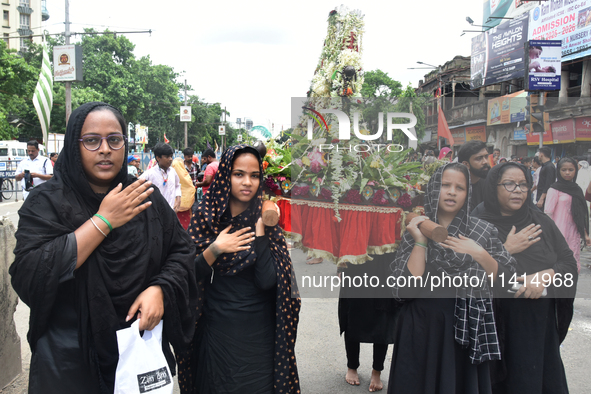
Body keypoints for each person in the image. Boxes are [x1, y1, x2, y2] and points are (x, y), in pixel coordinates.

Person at [9, 102, 198, 393]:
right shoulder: (46, 202)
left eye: (114, 139)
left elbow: (182, 251)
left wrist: (160, 288)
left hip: (138, 352)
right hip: (69, 356)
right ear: (75, 145)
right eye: (92, 141)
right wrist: (104, 221)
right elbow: (30, 272)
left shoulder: (144, 197)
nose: (105, 149)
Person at [176, 145, 300, 394]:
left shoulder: (264, 216)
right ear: (225, 176)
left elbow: (268, 281)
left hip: (259, 335)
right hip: (218, 330)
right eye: (239, 174)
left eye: (254, 176)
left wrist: (261, 233)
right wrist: (216, 248)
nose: (248, 182)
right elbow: (186, 276)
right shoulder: (207, 215)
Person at [388, 163, 515, 394]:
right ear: (434, 189)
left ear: (468, 194)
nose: (452, 191)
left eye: (460, 187)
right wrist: (420, 241)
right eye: (445, 185)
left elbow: (508, 282)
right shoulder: (418, 227)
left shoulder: (483, 231)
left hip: (466, 330)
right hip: (421, 330)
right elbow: (404, 292)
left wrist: (479, 253)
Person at [472, 162, 577, 393]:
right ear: (493, 187)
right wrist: (505, 249)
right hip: (498, 325)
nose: (518, 190)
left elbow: (569, 264)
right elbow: (467, 275)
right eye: (509, 184)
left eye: (523, 184)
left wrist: (547, 276)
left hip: (539, 327)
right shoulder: (477, 224)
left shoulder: (541, 222)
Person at [339, 255, 399, 392]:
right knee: (352, 314)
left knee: (384, 317)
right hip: (356, 260)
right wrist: (340, 265)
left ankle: (377, 370)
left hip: (387, 261)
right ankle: (352, 366)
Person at [544, 158, 591, 272]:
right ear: (558, 171)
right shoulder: (554, 189)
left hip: (574, 233)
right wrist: (550, 234)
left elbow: (581, 214)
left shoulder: (577, 189)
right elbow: (548, 213)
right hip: (558, 232)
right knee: (558, 266)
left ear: (576, 171)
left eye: (571, 169)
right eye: (564, 170)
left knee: (573, 265)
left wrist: (585, 234)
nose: (567, 173)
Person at [141, 142, 181, 212]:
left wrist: (178, 199)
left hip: (172, 211)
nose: (170, 159)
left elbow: (177, 186)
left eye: (171, 156)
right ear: (158, 158)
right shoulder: (149, 174)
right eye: (167, 157)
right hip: (156, 213)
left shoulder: (172, 172)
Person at [458, 140, 490, 209]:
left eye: (486, 157)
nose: (485, 161)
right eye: (479, 158)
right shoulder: (455, 188)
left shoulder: (491, 185)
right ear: (466, 164)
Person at [171, 157, 196, 230]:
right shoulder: (186, 176)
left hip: (174, 207)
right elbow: (191, 188)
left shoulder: (170, 175)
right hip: (187, 208)